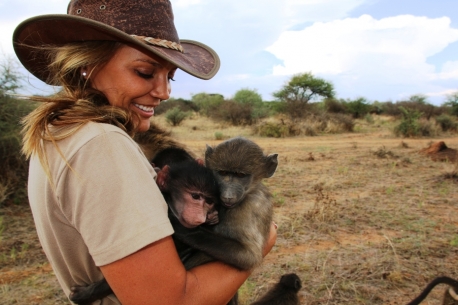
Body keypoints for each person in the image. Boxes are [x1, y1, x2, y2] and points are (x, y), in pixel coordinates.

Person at [13, 0, 277, 304]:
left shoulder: (61, 132)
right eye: (144, 72)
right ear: (88, 65)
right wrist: (264, 242)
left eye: (170, 76)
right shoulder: (101, 145)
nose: (164, 92)